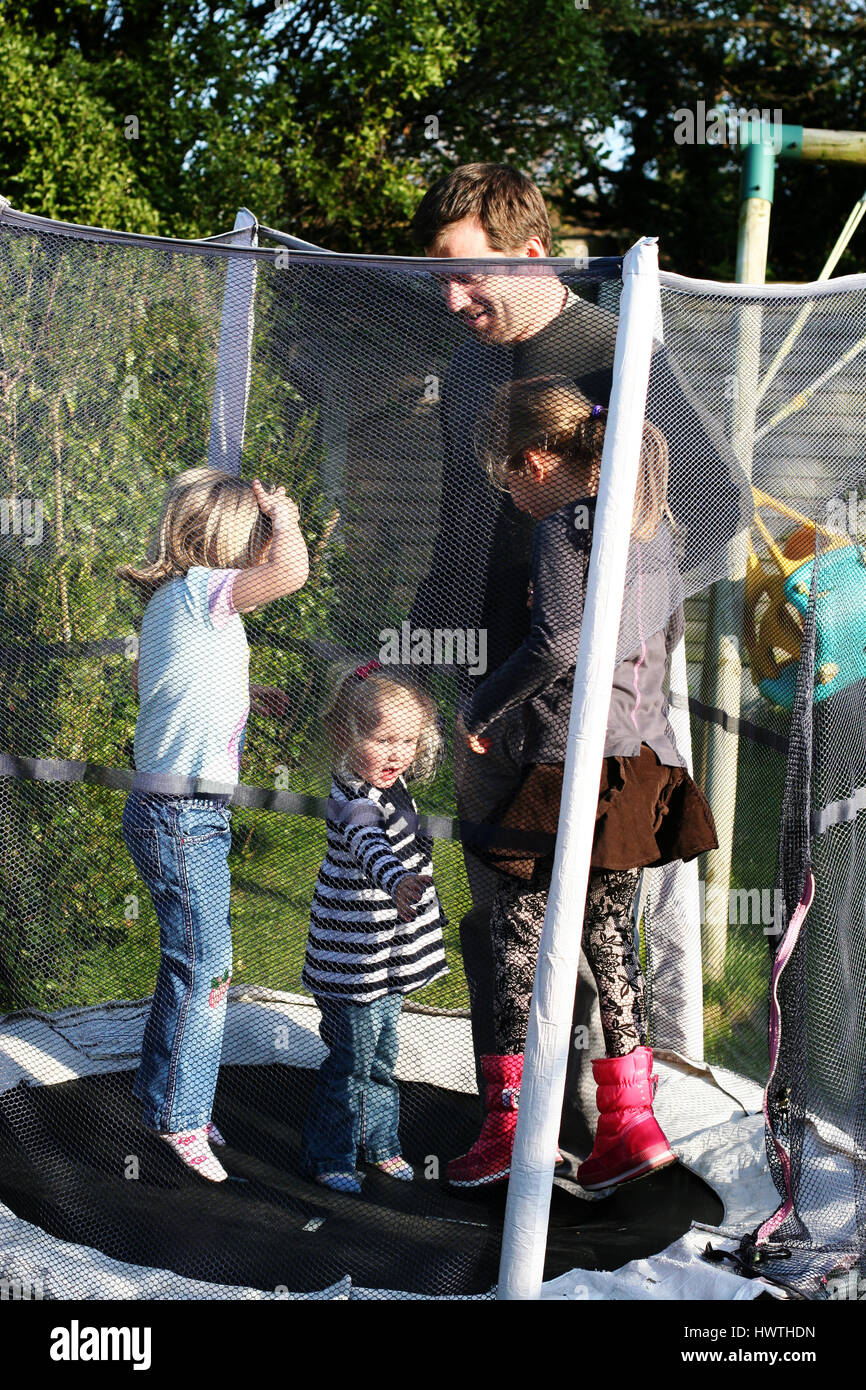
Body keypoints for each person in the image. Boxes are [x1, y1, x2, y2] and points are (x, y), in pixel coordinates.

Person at [410, 163, 751, 1155]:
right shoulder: (469, 368)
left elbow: (718, 509)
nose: (450, 300)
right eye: (435, 279)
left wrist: (611, 611)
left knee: (609, 912)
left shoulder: (615, 349)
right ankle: (515, 1126)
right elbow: (452, 524)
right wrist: (421, 654)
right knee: (503, 915)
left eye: (466, 275)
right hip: (495, 689)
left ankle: (630, 1124)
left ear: (527, 251)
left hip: (602, 693)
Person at [446, 377, 718, 1189]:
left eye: (506, 481)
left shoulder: (569, 526)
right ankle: (632, 1125)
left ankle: (509, 1128)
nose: (511, 498)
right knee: (610, 942)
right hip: (640, 763)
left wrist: (482, 705)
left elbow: (558, 641)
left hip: (569, 766)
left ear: (533, 462)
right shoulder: (650, 520)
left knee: (514, 939)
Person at [117, 467, 309, 1181]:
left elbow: (154, 686)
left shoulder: (173, 602)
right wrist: (284, 514)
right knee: (209, 967)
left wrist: (243, 693)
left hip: (169, 809)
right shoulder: (203, 590)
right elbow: (292, 571)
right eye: (257, 535)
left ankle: (164, 1095)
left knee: (190, 959)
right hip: (183, 817)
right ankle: (182, 1118)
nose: (266, 547)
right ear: (237, 539)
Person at [300, 661, 448, 1194]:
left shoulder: (392, 783)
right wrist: (397, 882)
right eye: (383, 740)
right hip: (353, 958)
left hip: (386, 956)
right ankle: (329, 1155)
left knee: (383, 1057)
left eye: (407, 741)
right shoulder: (354, 798)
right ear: (345, 735)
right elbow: (370, 848)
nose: (396, 754)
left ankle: (380, 1144)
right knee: (351, 1062)